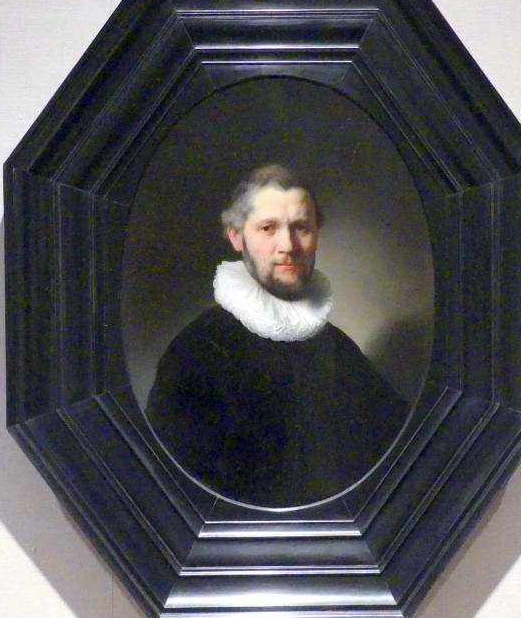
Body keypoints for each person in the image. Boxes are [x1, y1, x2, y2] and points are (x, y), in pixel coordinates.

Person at [145, 164, 407, 507]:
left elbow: (395, 455)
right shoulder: (197, 350)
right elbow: (171, 493)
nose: (288, 245)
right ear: (237, 237)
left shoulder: (339, 349)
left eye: (301, 228)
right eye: (268, 228)